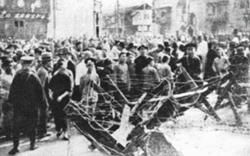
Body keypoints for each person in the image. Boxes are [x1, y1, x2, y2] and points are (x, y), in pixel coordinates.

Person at [8, 56, 48, 155]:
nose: (26, 67)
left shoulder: (18, 76)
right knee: (32, 125)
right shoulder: (33, 76)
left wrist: (12, 103)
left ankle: (16, 147)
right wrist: (44, 105)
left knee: (17, 127)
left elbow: (12, 92)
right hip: (30, 106)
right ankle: (32, 145)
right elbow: (41, 92)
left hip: (20, 107)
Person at [49, 59, 72, 141]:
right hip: (56, 99)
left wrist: (61, 97)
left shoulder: (67, 77)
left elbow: (68, 90)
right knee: (56, 115)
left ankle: (66, 131)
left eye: (64, 69)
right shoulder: (54, 77)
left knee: (64, 115)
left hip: (64, 99)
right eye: (62, 69)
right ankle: (59, 129)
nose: (63, 71)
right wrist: (51, 94)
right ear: (58, 68)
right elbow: (50, 87)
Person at [36, 52, 53, 139]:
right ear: (47, 62)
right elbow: (41, 86)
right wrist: (44, 98)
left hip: (44, 94)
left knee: (44, 113)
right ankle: (41, 133)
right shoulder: (43, 71)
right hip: (43, 95)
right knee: (43, 113)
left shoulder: (43, 70)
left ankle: (43, 131)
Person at [0, 57, 15, 139]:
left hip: (16, 97)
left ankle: (15, 131)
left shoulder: (14, 73)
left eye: (11, 65)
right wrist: (6, 94)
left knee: (15, 115)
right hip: (7, 99)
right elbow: (0, 88)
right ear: (5, 67)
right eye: (8, 66)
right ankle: (8, 133)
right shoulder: (2, 77)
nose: (10, 67)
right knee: (8, 117)